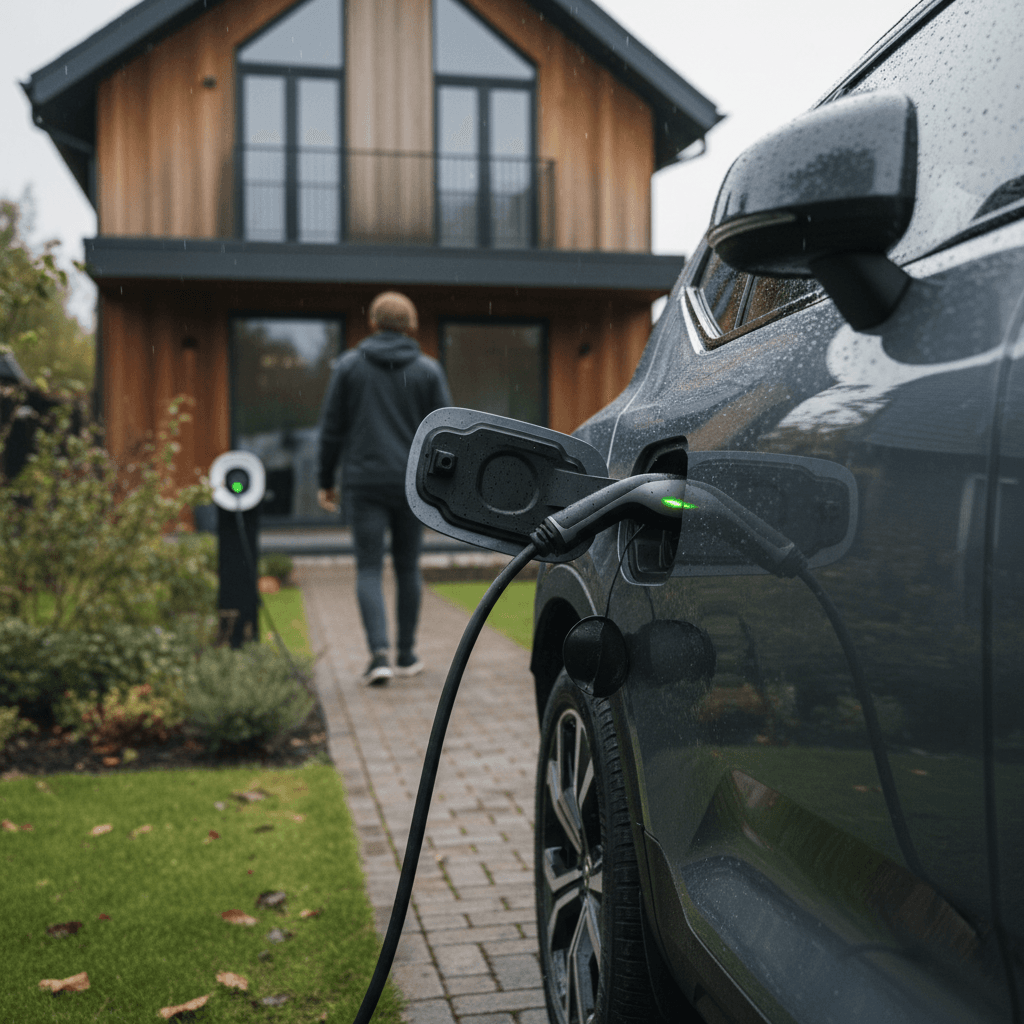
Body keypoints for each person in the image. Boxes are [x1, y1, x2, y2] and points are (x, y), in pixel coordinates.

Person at [317, 292, 451, 685]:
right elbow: (445, 434)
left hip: (363, 483)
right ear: (411, 326)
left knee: (369, 569)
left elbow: (331, 430)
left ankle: (378, 656)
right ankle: (407, 654)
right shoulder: (428, 371)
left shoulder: (348, 366)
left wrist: (326, 481)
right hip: (412, 486)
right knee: (409, 567)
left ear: (372, 323)